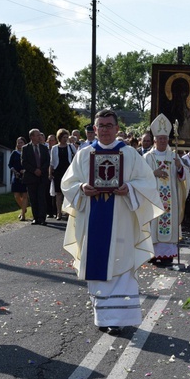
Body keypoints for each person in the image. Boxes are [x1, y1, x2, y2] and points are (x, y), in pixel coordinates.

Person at [61, 109, 163, 334]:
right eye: (101, 125)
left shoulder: (130, 154)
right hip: (93, 219)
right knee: (97, 265)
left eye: (109, 125)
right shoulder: (84, 154)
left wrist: (130, 188)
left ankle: (117, 319)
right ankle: (103, 317)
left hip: (122, 220)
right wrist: (81, 188)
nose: (105, 129)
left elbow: (147, 183)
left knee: (122, 264)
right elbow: (67, 183)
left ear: (117, 129)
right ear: (95, 129)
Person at [144, 114, 190, 265]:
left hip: (171, 199)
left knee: (168, 223)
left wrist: (179, 167)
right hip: (153, 199)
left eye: (165, 138)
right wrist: (153, 173)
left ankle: (168, 255)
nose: (162, 141)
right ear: (154, 140)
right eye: (160, 139)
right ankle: (152, 254)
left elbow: (184, 177)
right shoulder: (147, 158)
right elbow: (140, 178)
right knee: (153, 224)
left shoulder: (173, 156)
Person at [22, 128, 51, 225]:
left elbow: (47, 161)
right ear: (32, 137)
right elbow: (24, 162)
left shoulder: (44, 148)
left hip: (42, 176)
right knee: (33, 198)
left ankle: (42, 218)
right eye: (37, 135)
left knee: (41, 197)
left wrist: (41, 170)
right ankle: (36, 217)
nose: (39, 137)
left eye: (40, 135)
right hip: (31, 177)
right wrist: (34, 170)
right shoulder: (25, 148)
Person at [50, 129, 76, 221]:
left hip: (68, 171)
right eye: (63, 137)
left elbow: (75, 158)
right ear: (59, 138)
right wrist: (50, 174)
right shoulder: (54, 148)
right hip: (58, 172)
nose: (65, 139)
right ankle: (58, 212)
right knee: (58, 193)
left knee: (68, 192)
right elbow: (52, 163)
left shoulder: (71, 147)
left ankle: (68, 212)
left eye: (66, 137)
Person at [8, 136, 28, 221]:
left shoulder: (27, 152)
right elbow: (10, 165)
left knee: (24, 195)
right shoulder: (14, 153)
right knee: (16, 195)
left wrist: (25, 170)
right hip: (16, 176)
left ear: (24, 143)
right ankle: (24, 208)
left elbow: (31, 163)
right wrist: (14, 171)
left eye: (21, 142)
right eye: (18, 143)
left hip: (25, 176)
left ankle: (23, 214)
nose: (20, 144)